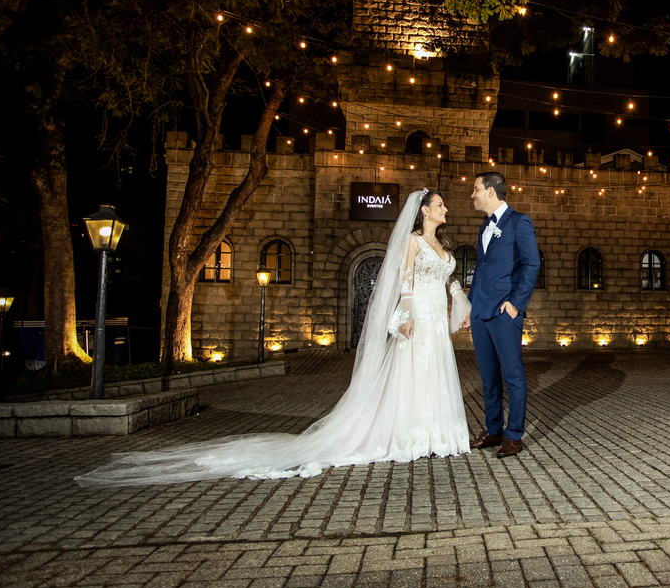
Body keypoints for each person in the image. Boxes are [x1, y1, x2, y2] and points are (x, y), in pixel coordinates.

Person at [74, 189, 472, 487]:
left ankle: (437, 431)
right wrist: (404, 316)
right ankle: (410, 433)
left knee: (434, 370)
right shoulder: (411, 241)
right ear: (423, 210)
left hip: (438, 318)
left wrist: (457, 297)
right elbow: (405, 282)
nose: (445, 209)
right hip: (419, 315)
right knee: (413, 371)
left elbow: (446, 275)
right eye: (439, 205)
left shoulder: (443, 244)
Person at [465, 172, 540, 458]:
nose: (472, 195)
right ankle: (493, 429)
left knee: (513, 376)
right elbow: (482, 271)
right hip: (481, 312)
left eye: (476, 189)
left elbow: (532, 264)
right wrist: (471, 306)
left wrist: (515, 305)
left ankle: (514, 435)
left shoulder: (519, 222)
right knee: (488, 377)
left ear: (492, 191)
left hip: (504, 313)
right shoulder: (484, 225)